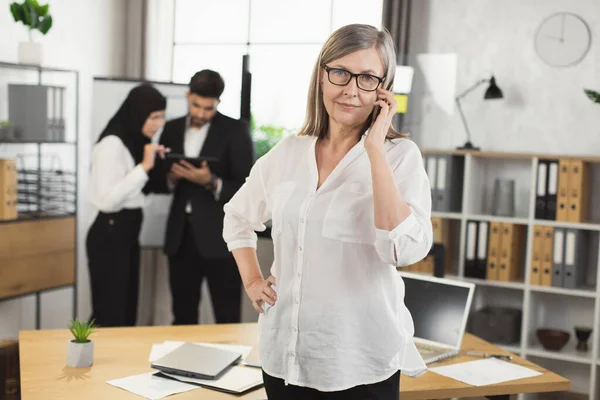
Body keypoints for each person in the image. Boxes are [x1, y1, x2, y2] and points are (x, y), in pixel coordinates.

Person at [222, 24, 433, 399]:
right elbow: (237, 215)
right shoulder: (288, 152)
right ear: (322, 76)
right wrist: (252, 280)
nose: (351, 89)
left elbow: (400, 250)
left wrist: (374, 151)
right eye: (340, 73)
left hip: (360, 363)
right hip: (284, 359)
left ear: (384, 89)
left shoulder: (400, 158)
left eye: (368, 77)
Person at [154, 69, 254, 325]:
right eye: (196, 105)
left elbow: (247, 189)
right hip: (180, 238)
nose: (200, 113)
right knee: (182, 316)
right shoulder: (171, 129)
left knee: (227, 315)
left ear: (218, 103)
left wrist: (211, 182)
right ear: (188, 96)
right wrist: (171, 177)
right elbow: (157, 179)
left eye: (208, 108)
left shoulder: (236, 130)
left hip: (222, 238)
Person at [86, 83, 168, 327]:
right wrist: (144, 167)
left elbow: (136, 192)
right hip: (110, 233)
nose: (158, 124)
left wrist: (154, 166)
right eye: (153, 117)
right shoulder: (112, 144)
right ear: (137, 113)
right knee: (111, 314)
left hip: (125, 234)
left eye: (162, 117)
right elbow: (108, 200)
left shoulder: (134, 141)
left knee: (124, 313)